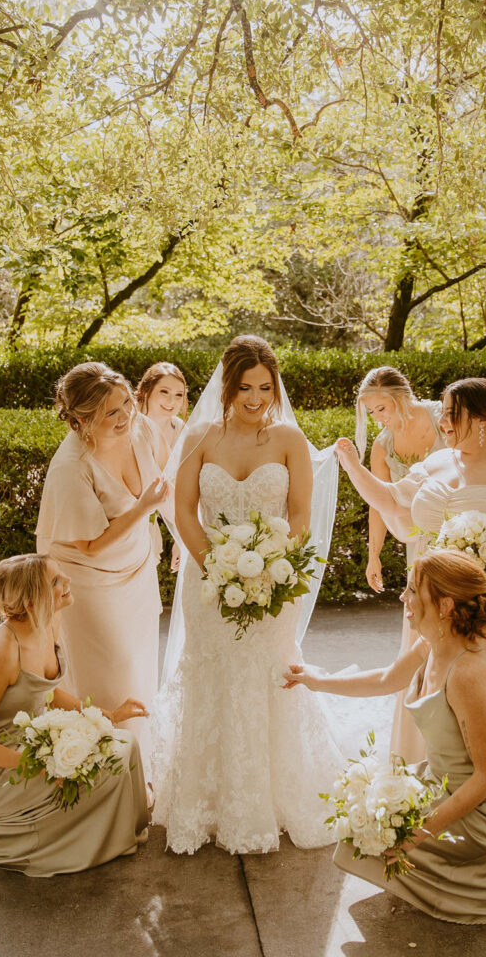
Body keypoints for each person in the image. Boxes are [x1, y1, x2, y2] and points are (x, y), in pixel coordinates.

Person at [335, 377, 486, 828]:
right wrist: (351, 466)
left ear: (480, 420)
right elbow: (390, 502)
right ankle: (434, 793)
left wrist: (479, 555)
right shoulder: (437, 463)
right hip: (435, 603)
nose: (442, 422)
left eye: (450, 413)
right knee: (432, 690)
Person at [150, 335, 342, 854]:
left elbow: (299, 514)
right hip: (207, 578)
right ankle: (203, 802)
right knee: (212, 673)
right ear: (228, 385)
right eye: (245, 386)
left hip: (273, 578)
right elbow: (185, 511)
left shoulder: (288, 441)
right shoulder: (201, 436)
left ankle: (272, 799)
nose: (255, 397)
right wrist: (214, 562)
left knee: (266, 674)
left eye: (264, 386)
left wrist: (276, 564)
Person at [284, 550, 486, 924]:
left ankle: (476, 888)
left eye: (411, 590)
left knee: (376, 832)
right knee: (361, 822)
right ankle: (461, 882)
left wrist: (417, 833)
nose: (403, 598)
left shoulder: (468, 675)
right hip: (447, 784)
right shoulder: (430, 646)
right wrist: (315, 680)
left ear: (445, 605)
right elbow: (387, 680)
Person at [0, 554, 149, 877]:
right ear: (30, 601)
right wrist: (36, 766)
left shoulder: (49, 622)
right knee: (110, 763)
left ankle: (122, 833)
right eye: (56, 581)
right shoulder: (2, 649)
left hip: (35, 739)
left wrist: (106, 715)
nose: (67, 581)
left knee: (125, 744)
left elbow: (47, 694)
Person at [36, 362, 169, 771]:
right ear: (80, 420)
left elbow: (163, 482)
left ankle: (139, 770)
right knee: (109, 675)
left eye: (127, 402)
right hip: (87, 582)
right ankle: (102, 776)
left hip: (135, 567)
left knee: (140, 666)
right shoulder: (70, 467)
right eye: (111, 413)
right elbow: (91, 545)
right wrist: (144, 506)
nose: (126, 415)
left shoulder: (139, 427)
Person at [355, 366, 445, 763]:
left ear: (402, 396)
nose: (379, 418)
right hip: (421, 544)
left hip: (462, 530)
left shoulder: (445, 417)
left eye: (382, 408)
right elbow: (379, 502)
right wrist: (374, 554)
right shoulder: (382, 446)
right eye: (372, 413)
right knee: (425, 625)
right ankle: (423, 741)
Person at [136, 361, 188, 573]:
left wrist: (181, 539)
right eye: (164, 392)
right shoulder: (129, 424)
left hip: (153, 520)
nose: (171, 401)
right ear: (146, 391)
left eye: (179, 395)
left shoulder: (179, 429)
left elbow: (179, 487)